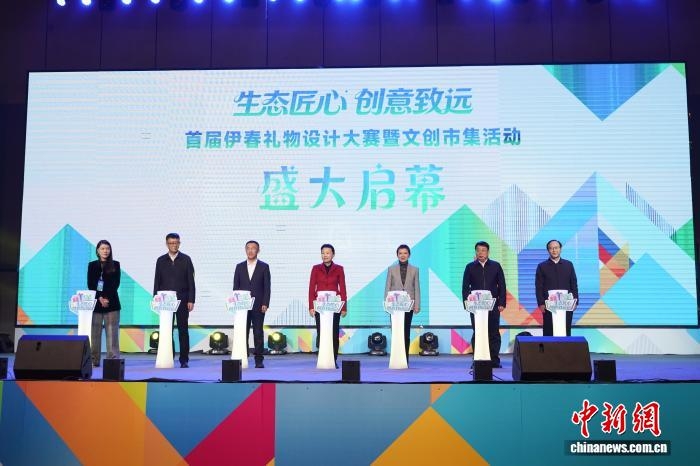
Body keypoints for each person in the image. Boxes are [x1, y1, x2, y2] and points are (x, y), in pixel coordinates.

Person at [153, 233, 196, 368]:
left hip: (182, 300)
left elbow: (191, 281)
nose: (174, 245)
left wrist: (191, 299)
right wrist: (155, 299)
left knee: (183, 330)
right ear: (167, 244)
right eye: (171, 243)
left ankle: (184, 359)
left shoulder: (186, 259)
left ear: (179, 243)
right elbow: (157, 281)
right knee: (167, 330)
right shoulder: (161, 260)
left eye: (176, 242)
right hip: (165, 302)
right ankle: (168, 357)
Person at [462, 241, 507, 368]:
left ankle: (494, 360)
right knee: (478, 332)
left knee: (493, 333)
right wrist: (467, 303)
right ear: (475, 252)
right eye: (478, 250)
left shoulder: (496, 266)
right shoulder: (470, 267)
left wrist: (502, 302)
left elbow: (502, 285)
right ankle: (477, 360)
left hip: (493, 305)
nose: (480, 253)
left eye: (483, 250)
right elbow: (465, 287)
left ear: (488, 252)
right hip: (475, 306)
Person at [233, 240, 271, 368]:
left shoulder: (264, 266)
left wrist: (265, 303)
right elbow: (236, 287)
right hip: (242, 306)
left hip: (258, 305)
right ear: (245, 250)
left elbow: (267, 287)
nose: (250, 251)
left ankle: (259, 359)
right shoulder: (239, 266)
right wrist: (236, 303)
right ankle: (243, 357)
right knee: (242, 332)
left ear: (258, 250)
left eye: (253, 248)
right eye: (248, 248)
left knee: (258, 332)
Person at [308, 244, 347, 367]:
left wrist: (344, 307)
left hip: (334, 306)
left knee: (334, 333)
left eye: (327, 253)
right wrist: (311, 306)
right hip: (320, 306)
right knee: (321, 332)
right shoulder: (315, 268)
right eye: (323, 253)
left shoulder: (339, 269)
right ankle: (322, 358)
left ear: (333, 254)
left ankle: (333, 359)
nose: (325, 255)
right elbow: (311, 288)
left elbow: (343, 288)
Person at [87, 240, 121, 367]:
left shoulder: (115, 264)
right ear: (97, 250)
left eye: (107, 248)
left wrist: (106, 298)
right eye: (102, 248)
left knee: (112, 333)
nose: (105, 251)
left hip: (112, 303)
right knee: (95, 333)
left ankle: (112, 360)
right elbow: (90, 284)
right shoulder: (92, 265)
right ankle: (94, 360)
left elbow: (115, 284)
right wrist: (100, 298)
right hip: (96, 303)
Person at [384, 244, 420, 364]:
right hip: (394, 306)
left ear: (409, 255)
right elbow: (387, 287)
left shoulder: (415, 269)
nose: (402, 255)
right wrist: (386, 304)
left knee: (406, 332)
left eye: (405, 253)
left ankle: (405, 359)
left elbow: (416, 288)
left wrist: (417, 305)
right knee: (396, 332)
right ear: (397, 255)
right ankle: (396, 358)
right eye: (400, 253)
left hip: (408, 305)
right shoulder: (391, 269)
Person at [535, 239, 579, 336]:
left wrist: (575, 301)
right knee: (549, 331)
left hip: (566, 304)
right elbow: (539, 287)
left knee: (565, 330)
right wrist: (541, 303)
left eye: (556, 248)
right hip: (549, 305)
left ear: (560, 249)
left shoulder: (568, 265)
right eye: (551, 248)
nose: (554, 250)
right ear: (548, 250)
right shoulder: (542, 266)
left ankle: (566, 346)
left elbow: (574, 284)